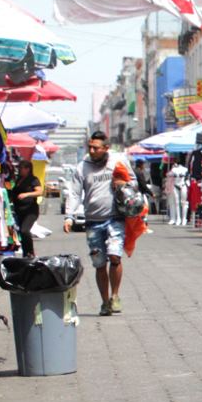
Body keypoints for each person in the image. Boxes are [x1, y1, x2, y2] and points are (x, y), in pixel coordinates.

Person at [64, 131, 129, 316]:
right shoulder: (82, 167)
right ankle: (105, 302)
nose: (91, 151)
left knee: (115, 257)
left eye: (96, 148)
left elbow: (133, 183)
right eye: (90, 147)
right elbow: (75, 193)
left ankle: (115, 296)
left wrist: (123, 183)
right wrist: (69, 216)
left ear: (106, 148)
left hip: (115, 218)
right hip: (93, 221)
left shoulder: (118, 161)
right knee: (99, 264)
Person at [8, 159, 43, 257]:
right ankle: (25, 253)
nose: (19, 170)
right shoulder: (18, 180)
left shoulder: (33, 179)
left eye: (21, 168)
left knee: (25, 230)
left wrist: (26, 194)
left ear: (28, 169)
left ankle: (31, 252)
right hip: (19, 210)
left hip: (30, 210)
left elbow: (39, 192)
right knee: (21, 233)